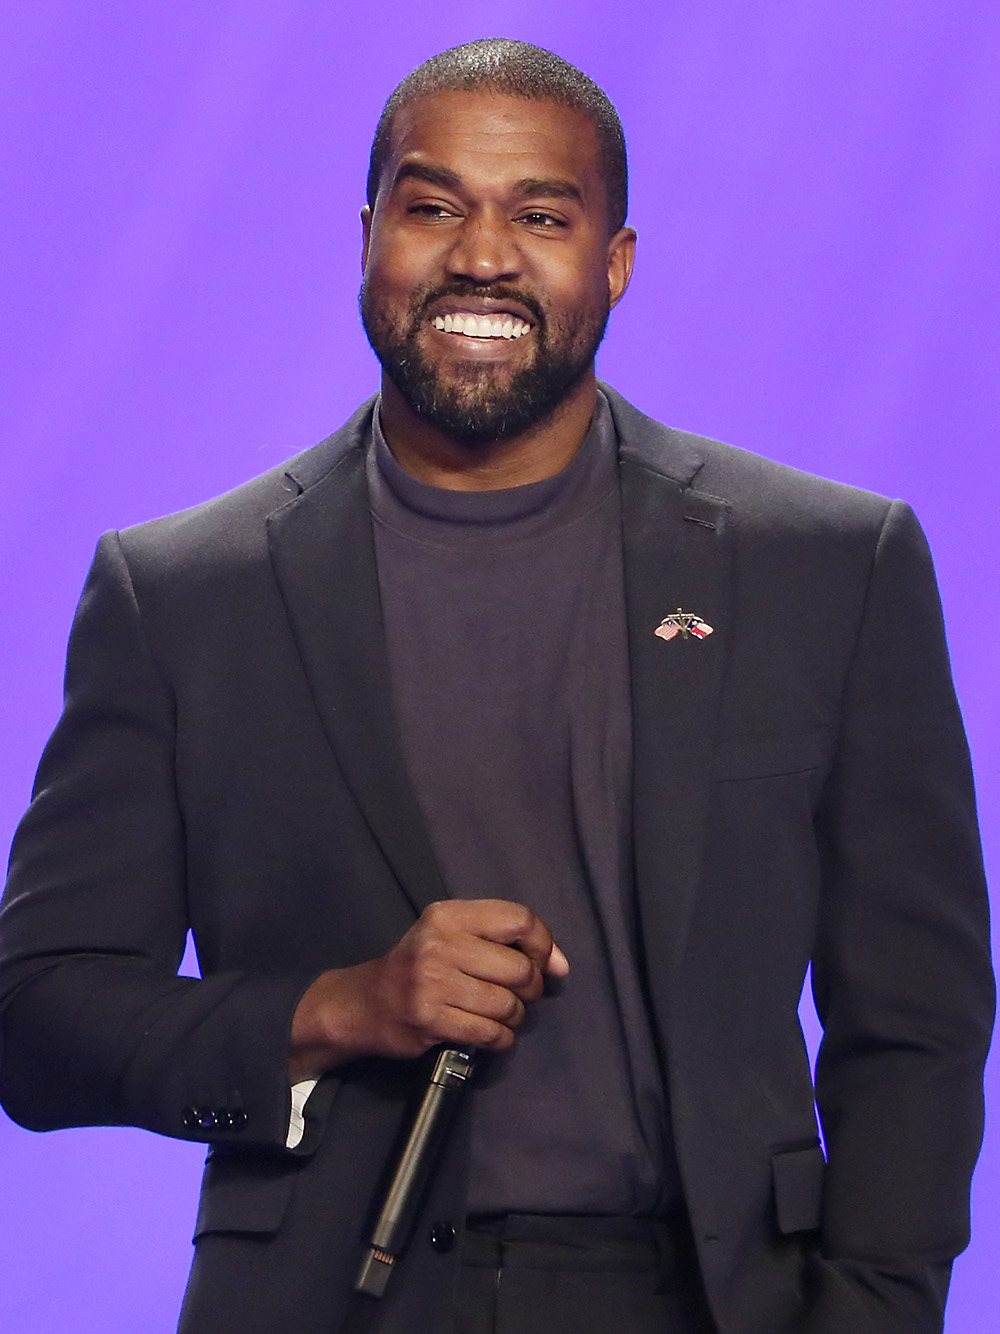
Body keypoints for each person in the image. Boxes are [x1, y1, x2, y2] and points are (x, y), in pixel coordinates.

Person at [0, 37, 993, 1334]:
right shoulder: (183, 592)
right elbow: (41, 1016)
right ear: (367, 238)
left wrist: (871, 1310)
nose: (481, 255)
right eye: (433, 206)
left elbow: (919, 1018)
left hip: (712, 1296)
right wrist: (343, 1005)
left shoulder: (826, 567)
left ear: (617, 262)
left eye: (540, 214)